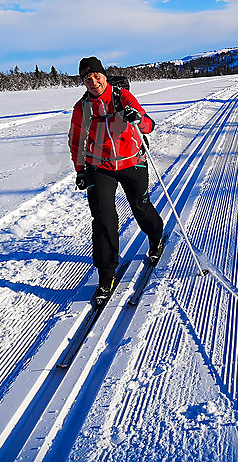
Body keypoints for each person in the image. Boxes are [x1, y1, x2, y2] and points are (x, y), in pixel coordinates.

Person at [68, 56, 164, 303]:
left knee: (140, 207)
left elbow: (149, 125)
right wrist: (80, 170)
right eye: (87, 79)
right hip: (99, 166)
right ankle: (106, 274)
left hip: (132, 161)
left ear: (104, 76)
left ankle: (155, 239)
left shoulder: (122, 97)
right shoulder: (83, 108)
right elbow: (77, 140)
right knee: (103, 217)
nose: (93, 82)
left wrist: (137, 120)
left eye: (96, 76)